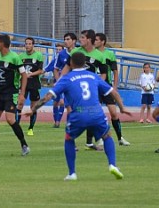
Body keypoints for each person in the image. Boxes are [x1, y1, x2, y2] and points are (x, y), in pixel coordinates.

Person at [25, 51, 131, 181]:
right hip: (96, 113)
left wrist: (33, 109)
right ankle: (112, 165)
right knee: (107, 136)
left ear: (70, 63)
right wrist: (122, 108)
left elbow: (49, 96)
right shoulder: (93, 76)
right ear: (85, 63)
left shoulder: (66, 78)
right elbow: (113, 92)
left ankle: (72, 173)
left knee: (69, 139)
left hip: (78, 115)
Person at [0, 33, 30, 156]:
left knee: (10, 119)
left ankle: (24, 145)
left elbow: (24, 75)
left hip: (10, 92)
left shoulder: (15, 58)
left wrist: (22, 93)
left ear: (2, 43)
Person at [96, 32, 130, 146]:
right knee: (95, 113)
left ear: (102, 42)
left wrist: (114, 87)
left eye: (96, 40)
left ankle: (120, 138)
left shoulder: (109, 54)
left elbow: (115, 72)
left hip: (106, 86)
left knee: (114, 113)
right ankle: (98, 138)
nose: (94, 41)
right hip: (95, 87)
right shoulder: (91, 54)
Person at [47, 33, 77, 127]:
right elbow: (56, 68)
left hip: (75, 84)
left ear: (74, 41)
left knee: (72, 106)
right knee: (60, 103)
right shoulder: (61, 54)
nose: (66, 41)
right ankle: (59, 122)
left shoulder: (79, 53)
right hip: (63, 83)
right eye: (65, 39)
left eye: (68, 39)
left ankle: (70, 125)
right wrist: (59, 81)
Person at [17, 37, 46, 135]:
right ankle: (16, 125)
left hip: (34, 84)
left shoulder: (38, 55)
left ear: (33, 45)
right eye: (26, 43)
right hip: (23, 84)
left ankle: (30, 128)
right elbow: (18, 69)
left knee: (33, 106)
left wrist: (30, 74)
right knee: (20, 103)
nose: (27, 45)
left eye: (29, 44)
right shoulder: (21, 56)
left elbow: (40, 70)